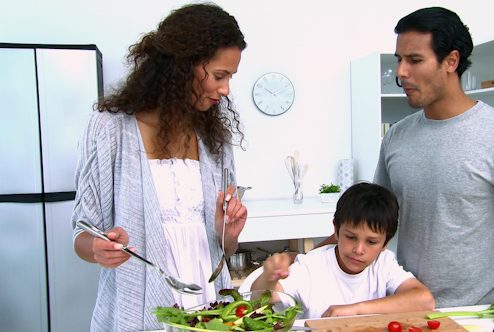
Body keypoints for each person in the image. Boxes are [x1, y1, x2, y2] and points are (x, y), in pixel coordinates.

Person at [376, 7, 494, 332]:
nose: (401, 72)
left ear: (451, 61)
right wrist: (304, 262)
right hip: (406, 311)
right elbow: (375, 221)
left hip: (482, 318)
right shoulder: (396, 138)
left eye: (414, 60)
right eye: (398, 59)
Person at [71, 3, 248, 331]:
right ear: (181, 66)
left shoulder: (214, 139)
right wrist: (99, 249)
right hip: (137, 306)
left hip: (208, 300)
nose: (225, 90)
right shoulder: (109, 129)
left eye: (230, 78)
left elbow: (225, 247)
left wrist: (230, 235)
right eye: (219, 76)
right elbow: (83, 231)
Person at [251, 182, 435, 319]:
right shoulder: (312, 266)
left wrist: (355, 309)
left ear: (385, 243)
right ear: (336, 230)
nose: (358, 249)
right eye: (351, 237)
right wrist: (268, 277)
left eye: (371, 242)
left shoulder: (384, 263)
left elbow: (425, 300)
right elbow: (260, 300)